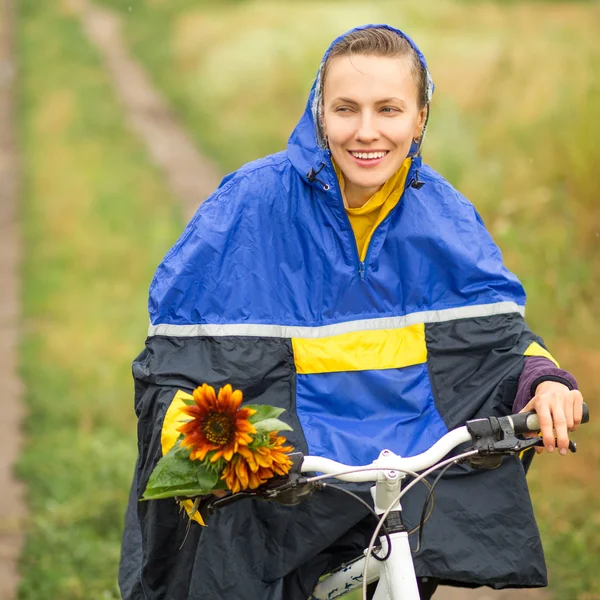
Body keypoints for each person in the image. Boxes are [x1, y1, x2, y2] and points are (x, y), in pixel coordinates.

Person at [118, 25, 584, 600]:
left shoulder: (445, 215)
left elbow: (492, 344)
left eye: (389, 109)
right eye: (346, 109)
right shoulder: (247, 202)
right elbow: (171, 367)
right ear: (320, 115)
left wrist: (545, 382)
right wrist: (215, 441)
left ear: (420, 117)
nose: (367, 132)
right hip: (278, 493)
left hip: (396, 490)